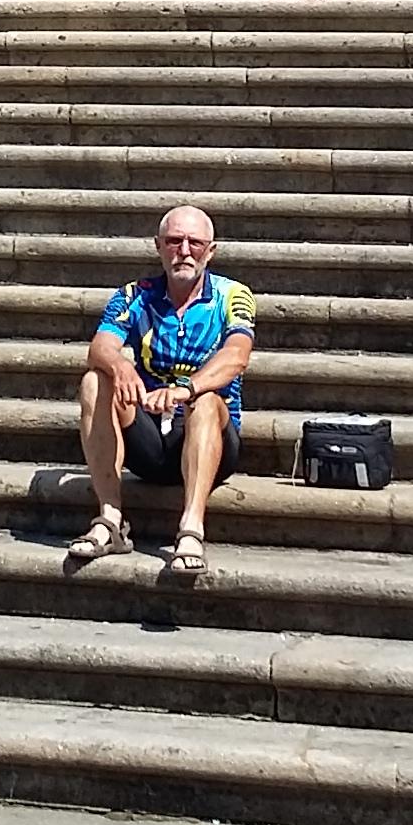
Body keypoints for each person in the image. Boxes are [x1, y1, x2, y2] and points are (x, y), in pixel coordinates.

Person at [69, 205, 256, 582]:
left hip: (208, 436)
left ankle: (191, 530)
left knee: (206, 401)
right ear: (158, 247)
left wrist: (185, 389)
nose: (184, 251)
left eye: (195, 243)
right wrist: (120, 366)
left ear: (211, 250)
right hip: (148, 437)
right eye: (174, 241)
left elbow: (237, 356)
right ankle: (110, 519)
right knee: (94, 379)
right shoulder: (135, 295)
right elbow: (100, 346)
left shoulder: (233, 295)